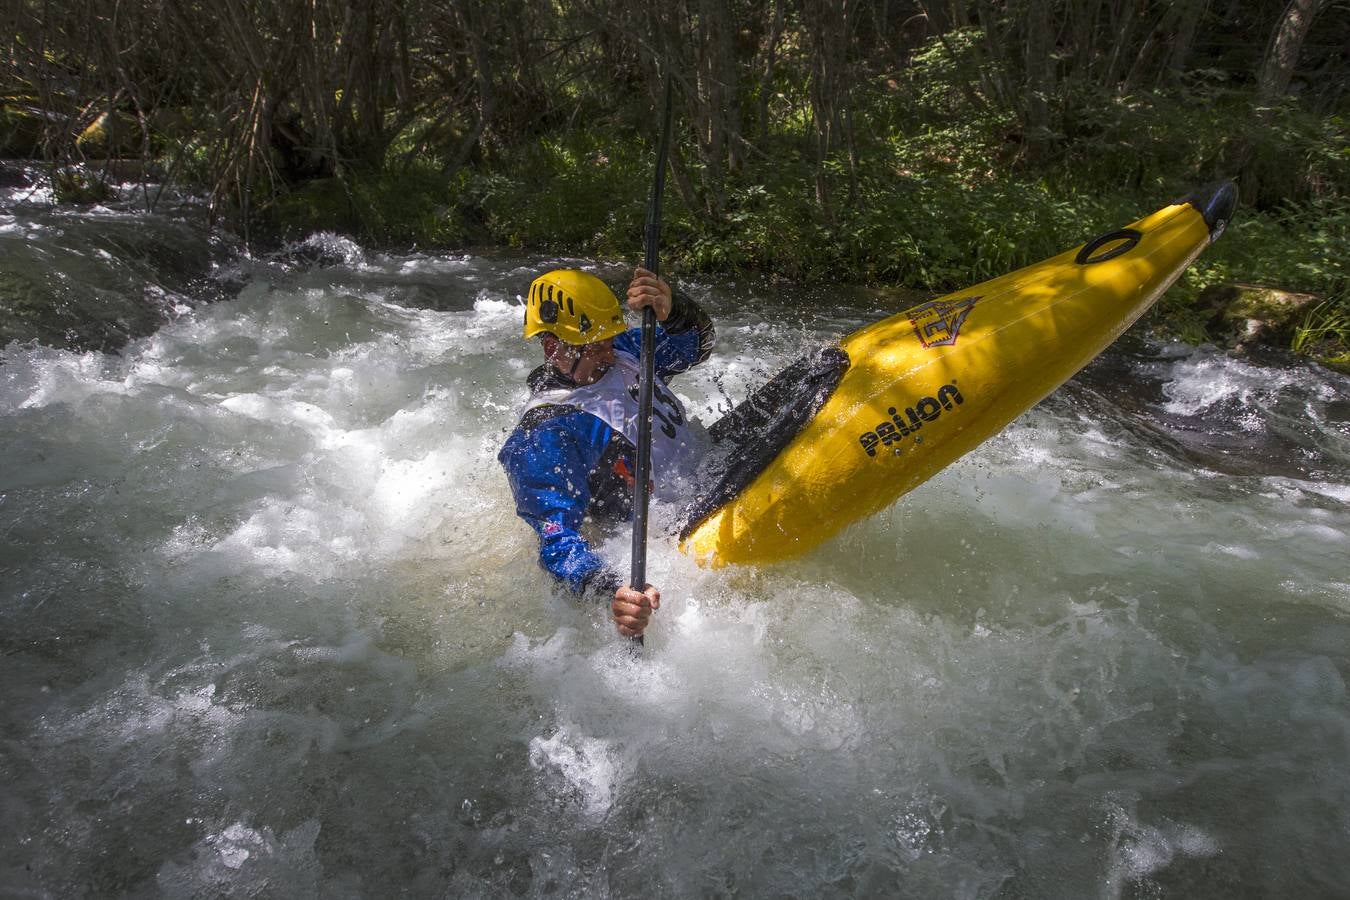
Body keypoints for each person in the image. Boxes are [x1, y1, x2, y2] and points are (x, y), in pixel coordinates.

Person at [498, 267, 715, 639]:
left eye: (609, 339)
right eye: (597, 345)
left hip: (711, 471)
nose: (609, 353)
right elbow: (557, 541)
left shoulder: (622, 349)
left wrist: (673, 310)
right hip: (674, 528)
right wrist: (611, 590)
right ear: (554, 349)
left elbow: (694, 348)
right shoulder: (545, 435)